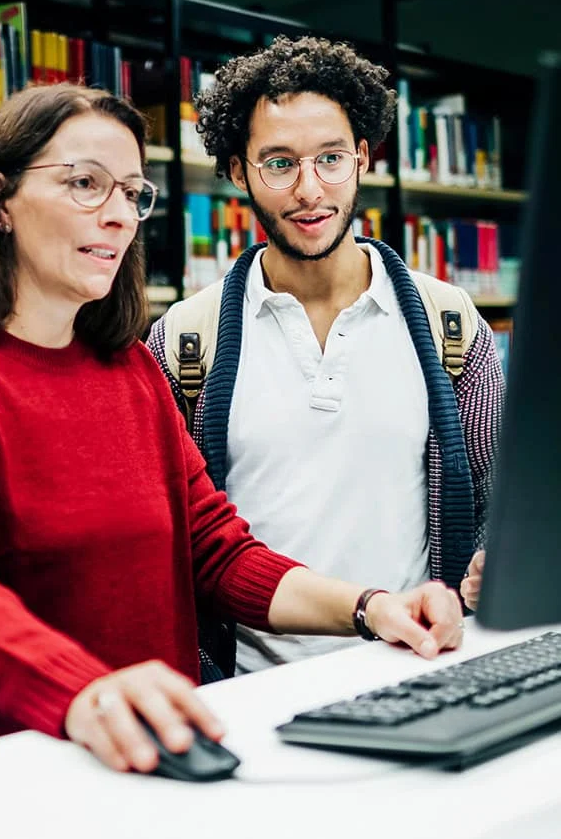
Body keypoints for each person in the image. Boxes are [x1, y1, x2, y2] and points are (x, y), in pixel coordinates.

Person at [0, 82, 466, 776]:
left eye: (131, 193)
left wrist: (370, 607)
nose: (118, 216)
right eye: (86, 183)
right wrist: (85, 692)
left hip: (145, 761)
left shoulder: (132, 370)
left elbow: (218, 553)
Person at [147, 35, 504, 679]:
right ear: (238, 171)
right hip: (245, 688)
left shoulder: (451, 325)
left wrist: (490, 563)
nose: (311, 190)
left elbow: (492, 496)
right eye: (279, 163)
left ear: (363, 158)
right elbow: (181, 541)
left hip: (415, 666)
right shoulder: (180, 343)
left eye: (332, 158)